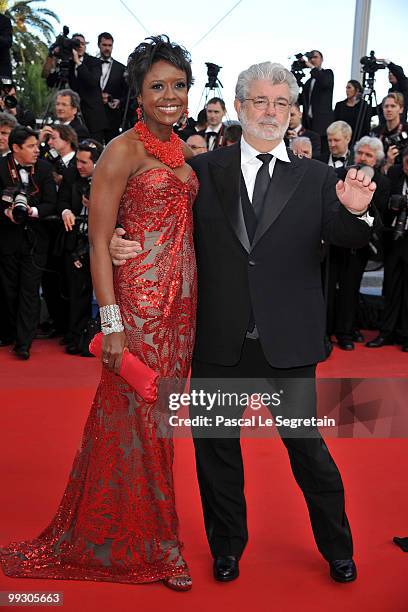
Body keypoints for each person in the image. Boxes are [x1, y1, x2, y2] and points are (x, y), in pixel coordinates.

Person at [110, 61, 377, 584]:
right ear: (239, 107)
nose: (270, 112)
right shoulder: (202, 172)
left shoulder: (319, 177)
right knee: (217, 455)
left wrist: (357, 213)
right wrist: (121, 240)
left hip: (290, 344)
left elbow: (348, 240)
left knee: (309, 452)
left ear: (294, 113)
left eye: (281, 103)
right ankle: (226, 547)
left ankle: (338, 547)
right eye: (260, 101)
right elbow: (158, 224)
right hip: (218, 338)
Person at [0, 35, 196, 592]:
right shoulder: (120, 150)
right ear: (138, 92)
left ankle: (139, 527)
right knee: (134, 422)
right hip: (135, 311)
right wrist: (111, 324)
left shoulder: (184, 151)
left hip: (181, 312)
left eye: (178, 86)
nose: (170, 96)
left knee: (158, 427)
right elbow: (99, 240)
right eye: (158, 86)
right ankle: (159, 544)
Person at [327, 137, 390, 349]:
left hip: (361, 245)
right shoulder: (339, 174)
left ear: (377, 160)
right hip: (335, 242)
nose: (362, 158)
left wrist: (363, 205)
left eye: (368, 155)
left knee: (350, 288)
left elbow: (378, 219)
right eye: (360, 153)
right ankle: (325, 332)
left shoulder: (382, 183)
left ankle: (345, 332)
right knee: (328, 286)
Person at [0, 127, 57, 357]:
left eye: (37, 145)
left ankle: (24, 343)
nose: (37, 150)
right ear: (15, 148)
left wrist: (33, 211)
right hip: (7, 239)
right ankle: (11, 332)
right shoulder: (1, 167)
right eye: (31, 146)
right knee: (8, 289)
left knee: (30, 291)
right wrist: (5, 212)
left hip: (36, 241)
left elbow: (51, 203)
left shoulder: (43, 168)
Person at [58, 139, 103, 355]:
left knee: (104, 295)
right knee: (76, 293)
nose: (78, 165)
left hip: (102, 245)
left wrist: (96, 206)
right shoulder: (71, 177)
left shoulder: (110, 180)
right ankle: (76, 336)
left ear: (97, 163)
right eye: (77, 160)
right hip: (76, 243)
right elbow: (62, 201)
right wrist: (66, 211)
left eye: (84, 162)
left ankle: (101, 338)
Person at [366, 146, 408, 351]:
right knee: (390, 287)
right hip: (394, 238)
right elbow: (382, 205)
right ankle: (386, 333)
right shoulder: (394, 172)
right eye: (407, 163)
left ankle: (405, 335)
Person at [46, 34, 107, 143]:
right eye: (77, 44)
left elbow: (92, 82)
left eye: (83, 44)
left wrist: (78, 62)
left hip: (93, 118)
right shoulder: (68, 63)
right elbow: (50, 82)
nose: (80, 46)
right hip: (75, 120)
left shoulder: (94, 62)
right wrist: (53, 58)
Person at [301, 50, 334, 153]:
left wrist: (312, 68)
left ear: (322, 60)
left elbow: (325, 83)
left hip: (322, 125)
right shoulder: (308, 82)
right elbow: (301, 100)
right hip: (308, 123)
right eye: (310, 58)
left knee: (322, 153)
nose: (312, 60)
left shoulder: (327, 73)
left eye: (315, 57)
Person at [97, 32, 128, 144]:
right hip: (93, 116)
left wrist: (119, 101)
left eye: (109, 45)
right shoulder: (91, 65)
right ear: (99, 45)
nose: (107, 48)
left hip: (113, 118)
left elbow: (127, 93)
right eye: (104, 45)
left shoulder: (121, 68)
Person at [371, 93, 408, 172]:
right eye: (386, 106)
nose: (389, 109)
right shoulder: (376, 132)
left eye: (393, 106)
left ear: (401, 109)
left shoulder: (406, 129)